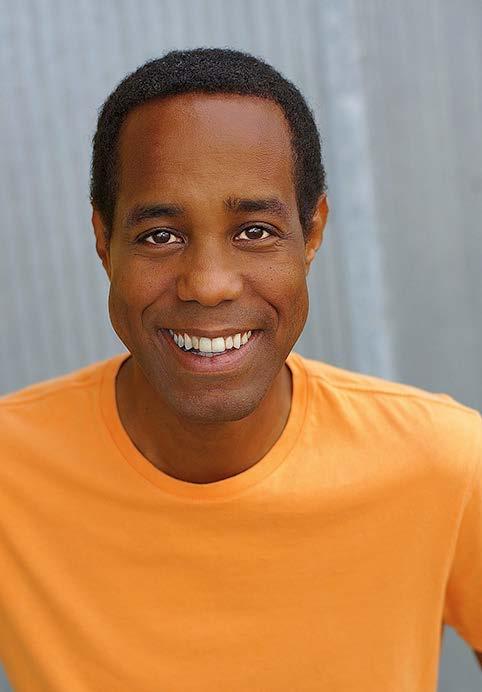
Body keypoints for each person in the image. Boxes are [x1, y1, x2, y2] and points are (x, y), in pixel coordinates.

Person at [0, 47, 480, 691]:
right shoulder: (11, 473)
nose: (208, 284)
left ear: (312, 233)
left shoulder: (446, 465)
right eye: (160, 235)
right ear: (103, 239)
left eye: (254, 231)